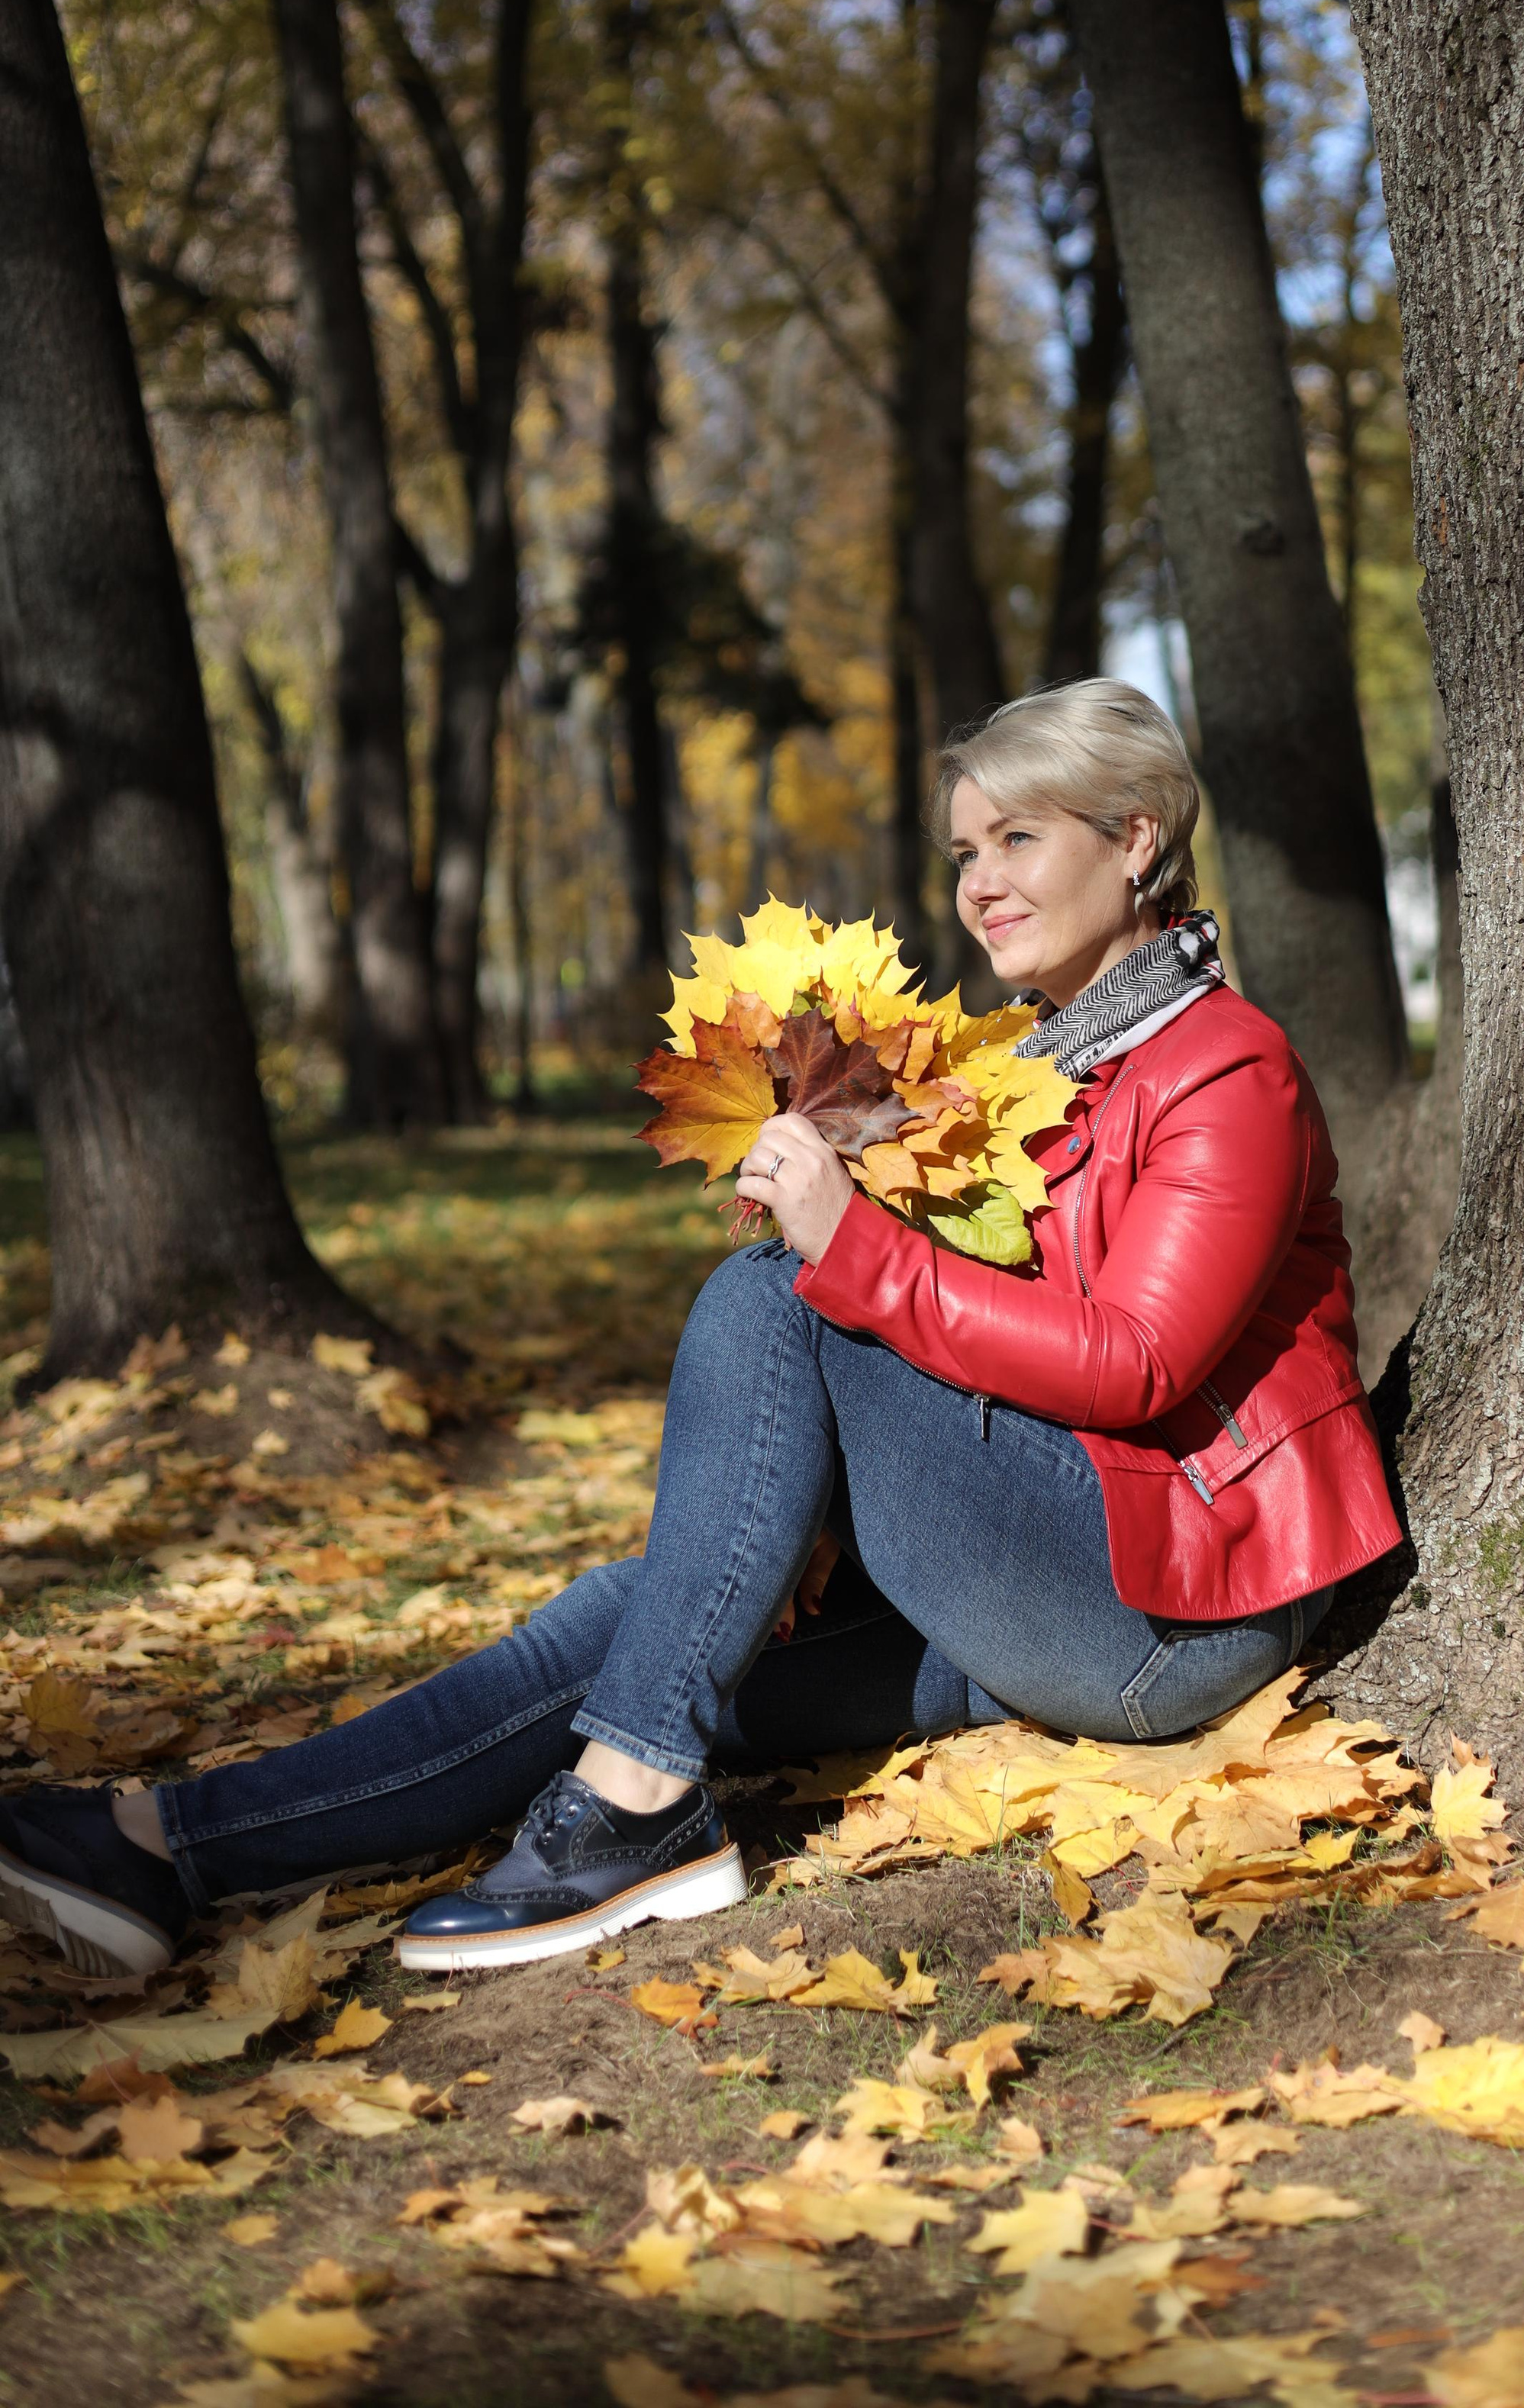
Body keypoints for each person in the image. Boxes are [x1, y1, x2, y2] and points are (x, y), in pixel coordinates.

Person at [0, 681, 1402, 1980]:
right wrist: (821, 1493)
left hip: (1170, 1599)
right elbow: (982, 1363)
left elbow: (1133, 1363)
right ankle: (162, 1848)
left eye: (1017, 839)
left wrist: (850, 1247)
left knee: (771, 1293)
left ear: (1137, 836)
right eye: (965, 850)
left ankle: (634, 1813)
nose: (979, 884)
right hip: (1038, 1551)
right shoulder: (1034, 1066)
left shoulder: (1224, 1065)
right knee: (636, 1631)